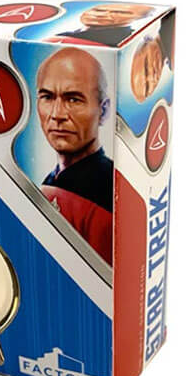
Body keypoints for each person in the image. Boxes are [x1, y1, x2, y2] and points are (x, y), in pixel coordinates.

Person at [36, 47, 113, 265]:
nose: (57, 114)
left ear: (103, 111)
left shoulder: (110, 192)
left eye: (73, 100)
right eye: (47, 97)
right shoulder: (48, 184)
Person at [54, 3, 154, 47]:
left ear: (138, 18)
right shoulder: (64, 35)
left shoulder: (125, 40)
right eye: (98, 10)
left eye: (119, 12)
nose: (103, 15)